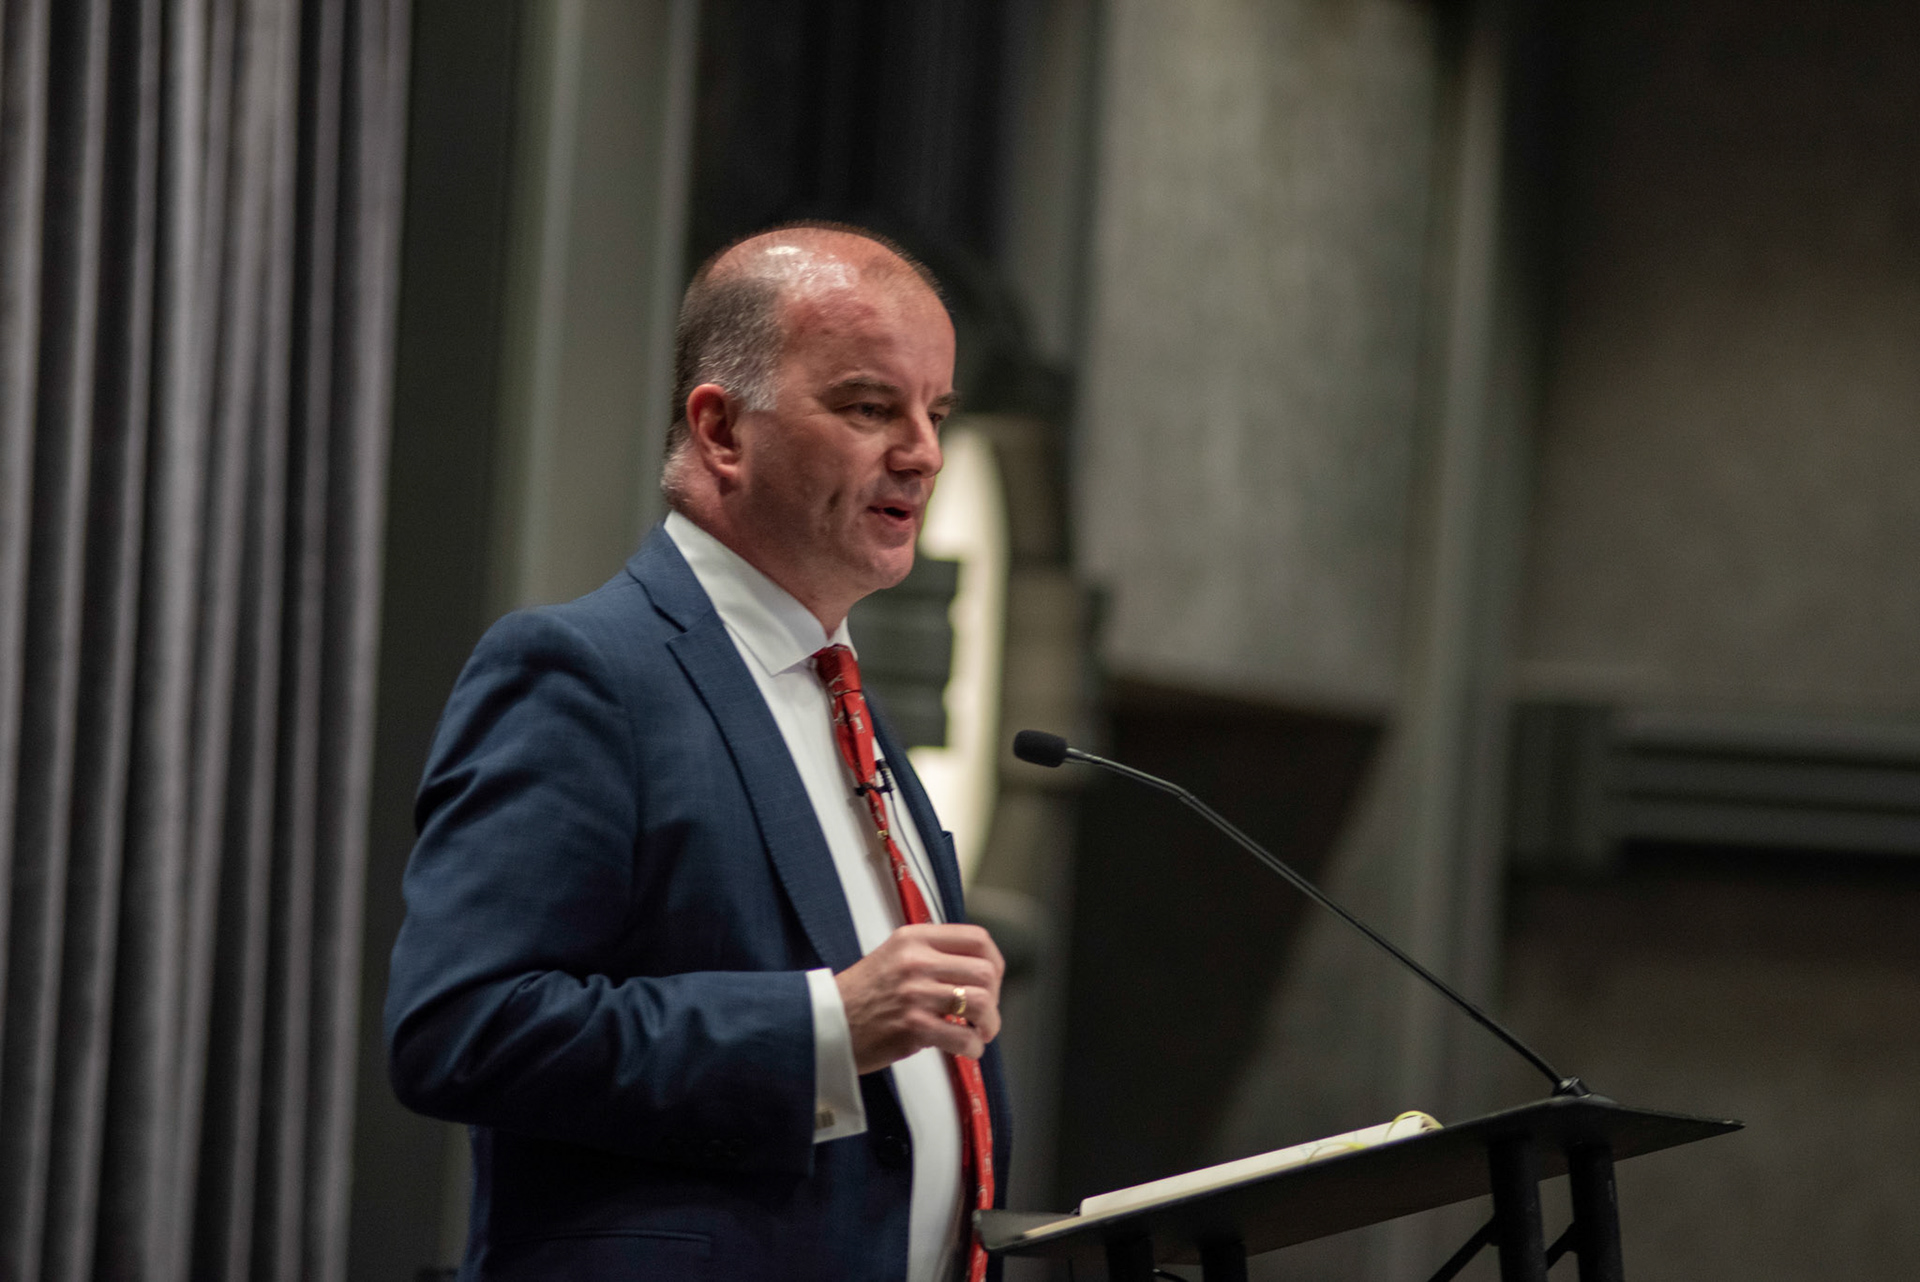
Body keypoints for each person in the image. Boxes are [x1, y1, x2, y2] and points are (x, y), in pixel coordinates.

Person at [385, 223, 1011, 1282]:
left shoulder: (846, 701)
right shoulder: (586, 671)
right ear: (721, 429)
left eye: (935, 413)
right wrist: (823, 1025)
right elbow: (461, 1025)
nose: (923, 452)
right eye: (870, 407)